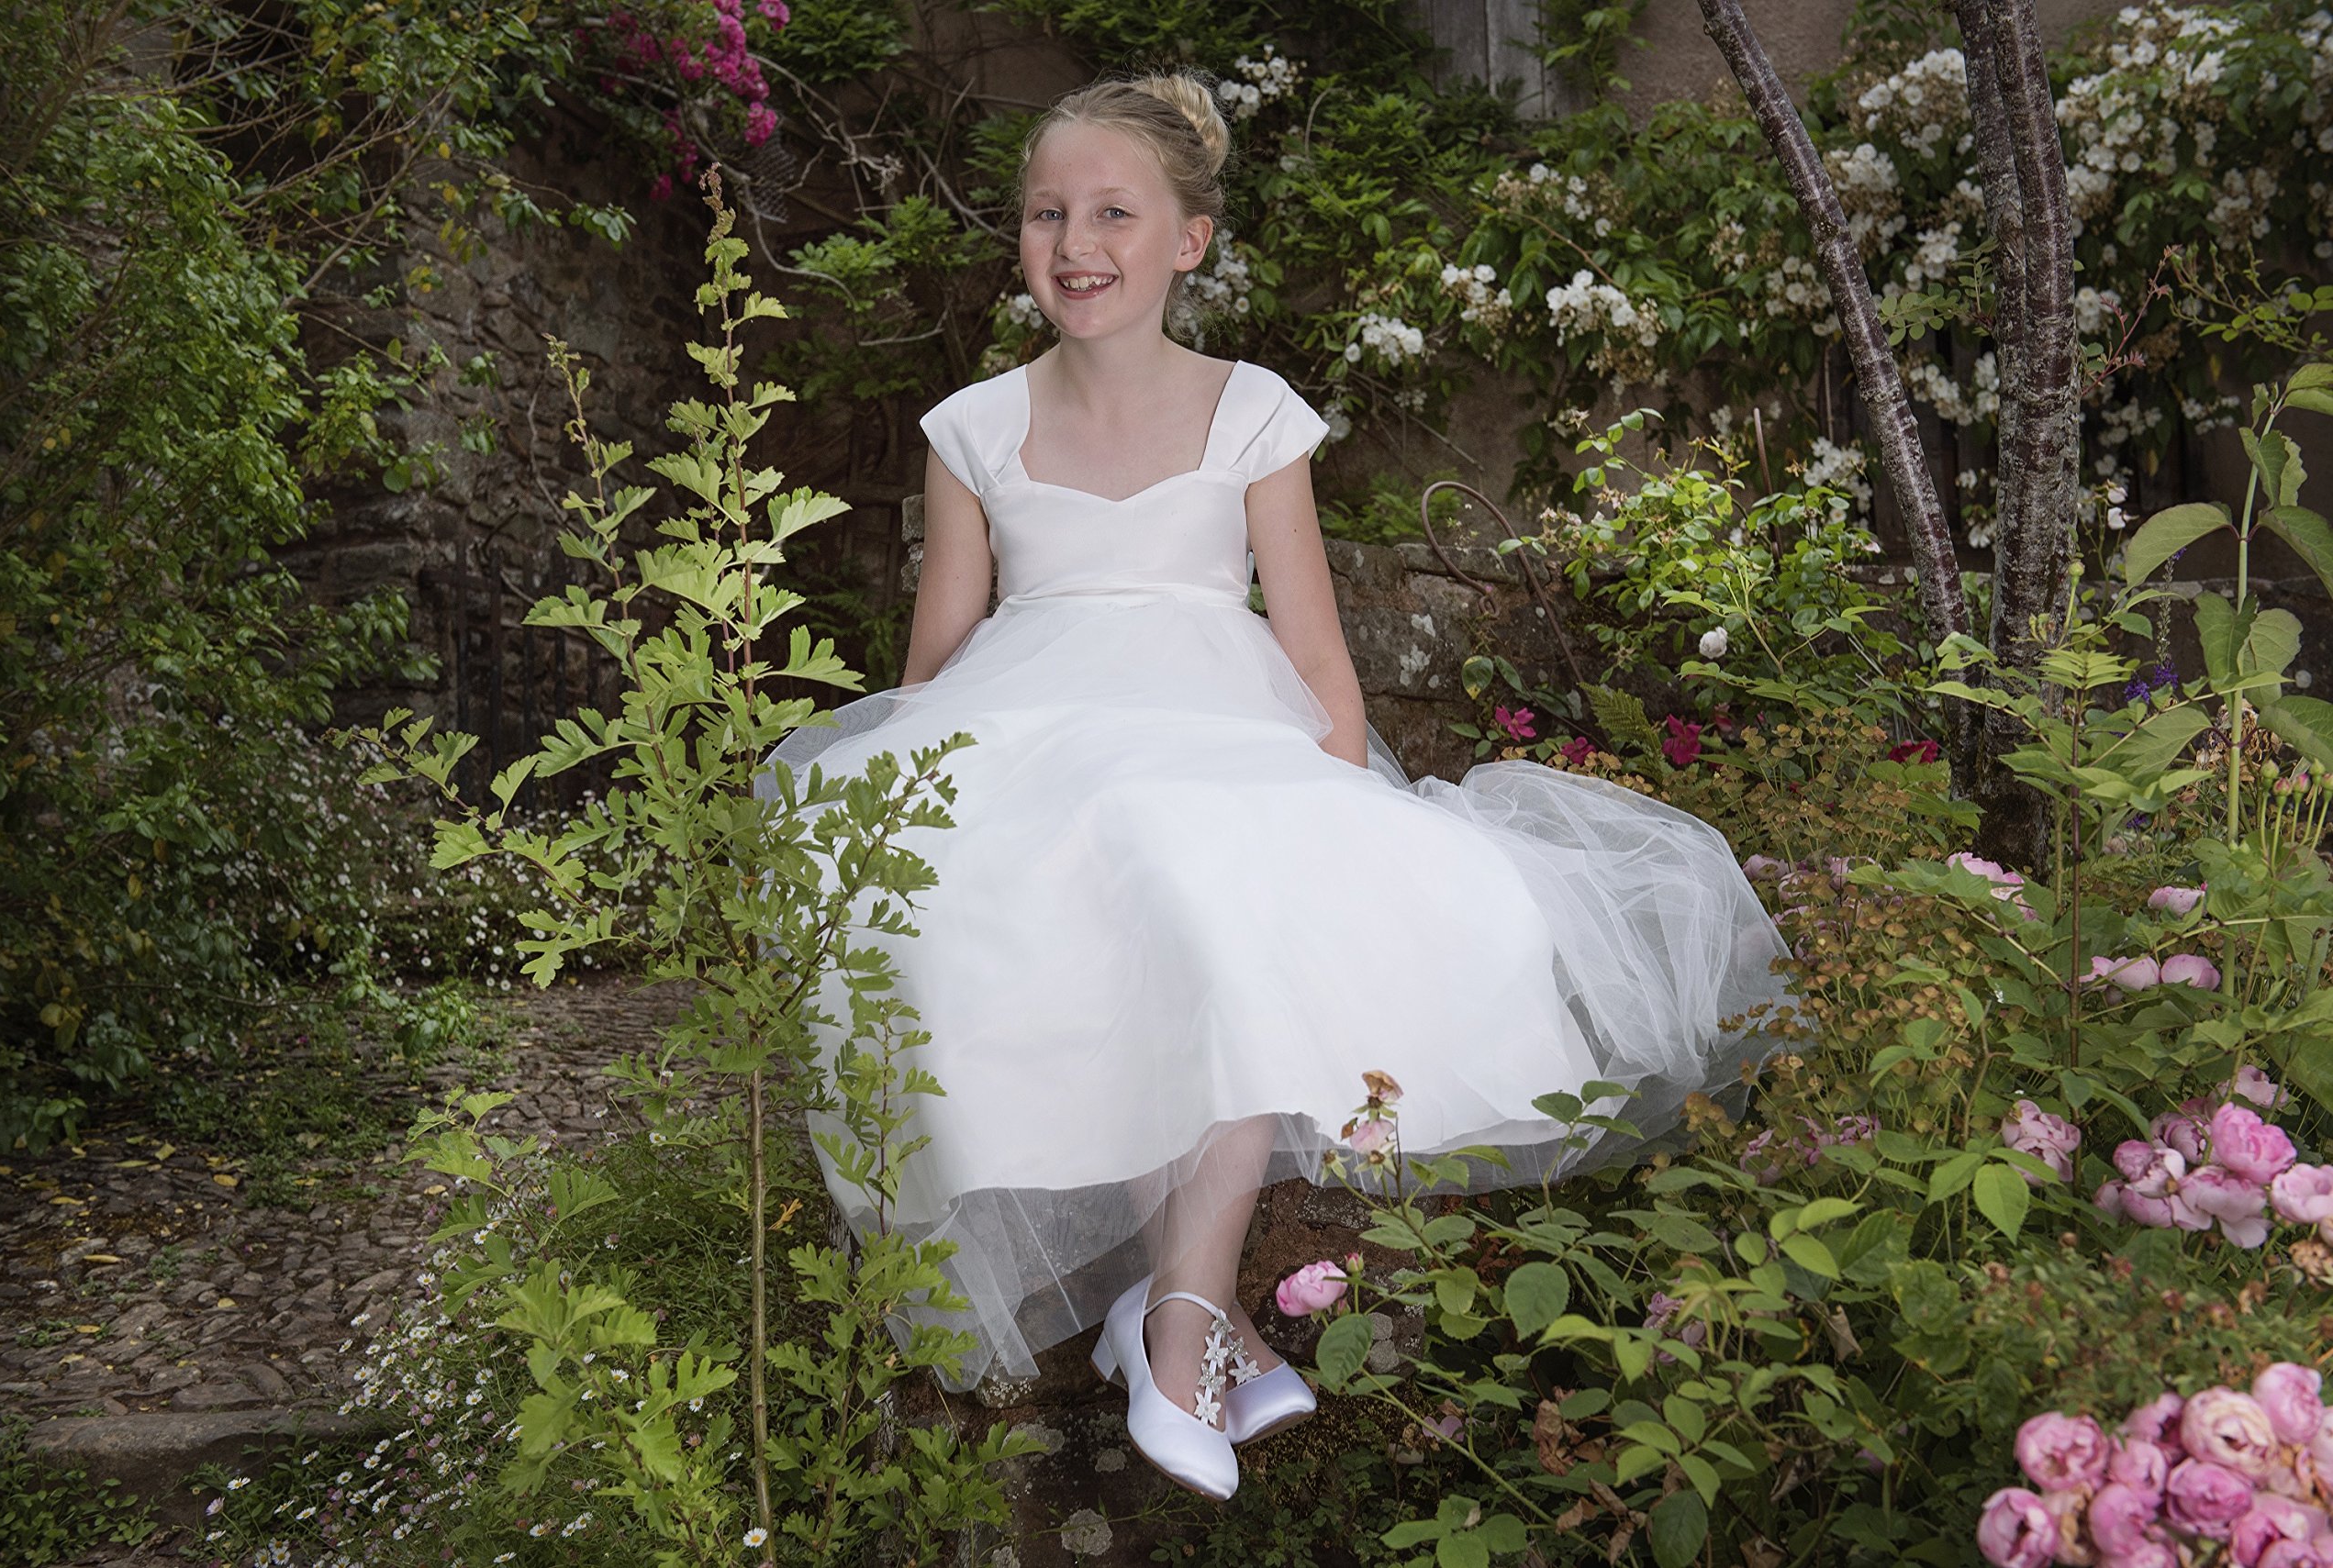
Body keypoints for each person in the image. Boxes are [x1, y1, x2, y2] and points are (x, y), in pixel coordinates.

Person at [760, 70, 1792, 1501]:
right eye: (1048, 213)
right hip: (1033, 724)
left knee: (1227, 886)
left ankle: (1173, 1313)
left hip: (1218, 724)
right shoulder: (974, 427)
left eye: (1116, 212)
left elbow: (1314, 652)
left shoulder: (1255, 413)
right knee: (1108, 873)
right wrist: (906, 789)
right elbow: (936, 655)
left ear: (1186, 240)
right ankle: (1194, 1313)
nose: (1077, 242)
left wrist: (1353, 804)